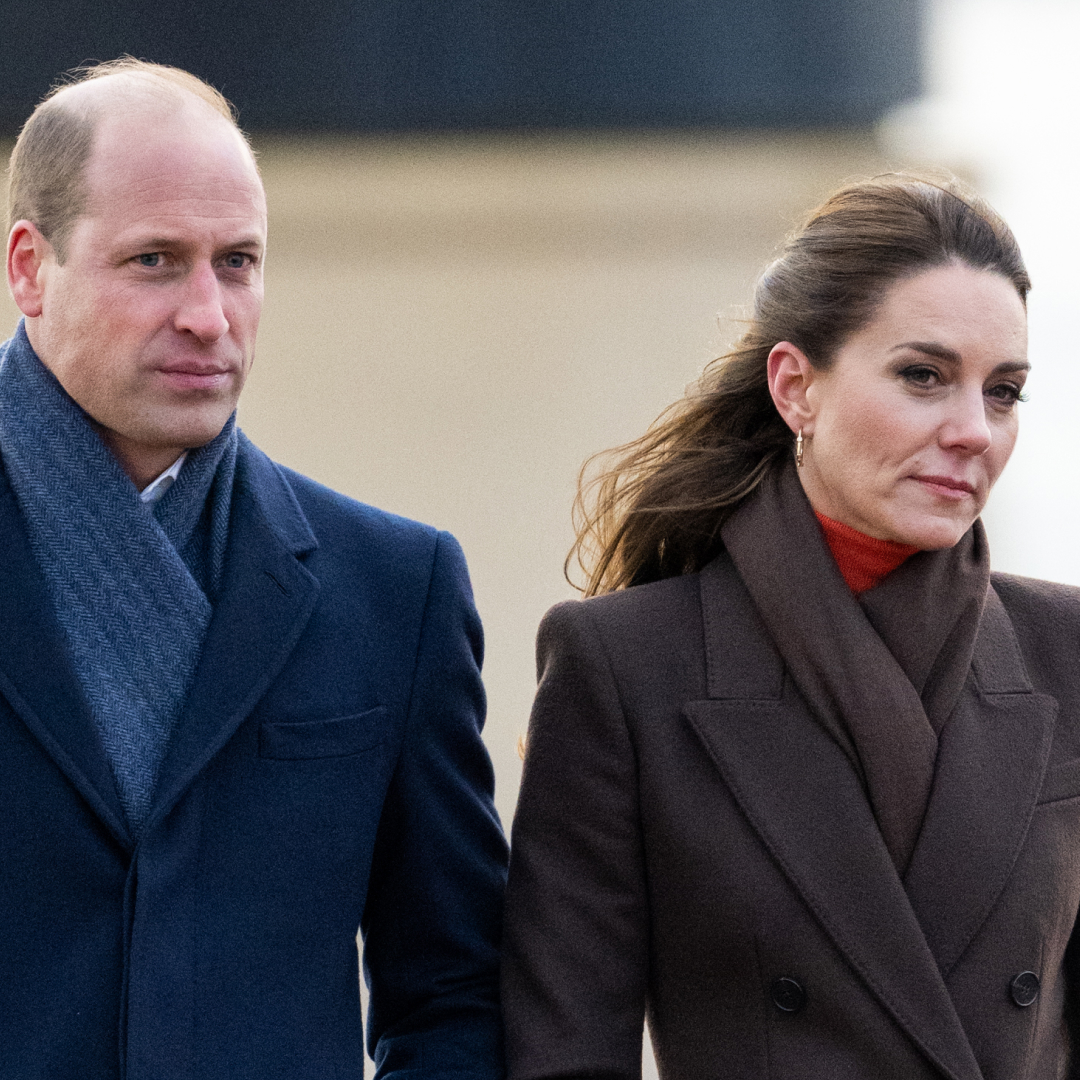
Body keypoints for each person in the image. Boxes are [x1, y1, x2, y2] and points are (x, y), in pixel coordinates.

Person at [501, 174, 1080, 1079]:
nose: (974, 429)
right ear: (795, 388)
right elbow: (564, 1052)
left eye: (1003, 392)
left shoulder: (1066, 652)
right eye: (923, 376)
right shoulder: (625, 667)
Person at [0, 59, 506, 1078]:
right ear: (28, 268)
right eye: (154, 261)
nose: (207, 314)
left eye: (236, 262)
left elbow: (458, 991)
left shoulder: (394, 590)